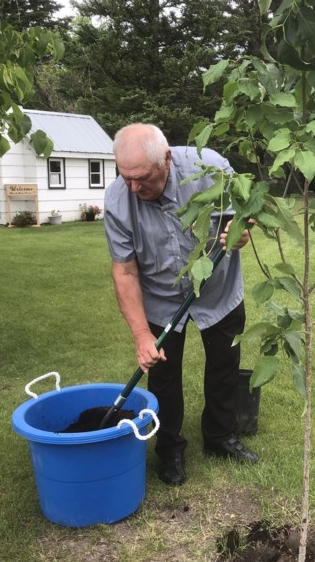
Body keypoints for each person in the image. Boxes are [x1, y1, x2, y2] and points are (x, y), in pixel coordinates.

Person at [103, 123, 259, 486]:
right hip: (160, 296)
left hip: (218, 287)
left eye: (142, 178)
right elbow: (124, 272)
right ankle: (169, 448)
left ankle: (220, 438)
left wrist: (240, 230)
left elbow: (247, 208)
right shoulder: (118, 201)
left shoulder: (211, 168)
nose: (133, 187)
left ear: (167, 159)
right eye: (125, 177)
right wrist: (142, 335)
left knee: (224, 363)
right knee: (163, 374)